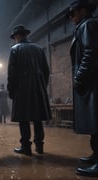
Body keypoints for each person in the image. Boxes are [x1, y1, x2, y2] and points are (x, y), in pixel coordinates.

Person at [7, 25, 51, 156]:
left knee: (23, 117)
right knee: (38, 117)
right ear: (25, 35)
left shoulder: (15, 49)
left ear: (16, 36)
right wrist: (43, 85)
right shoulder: (38, 49)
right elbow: (46, 70)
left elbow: (11, 73)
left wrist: (11, 89)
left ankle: (26, 147)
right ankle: (39, 146)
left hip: (22, 86)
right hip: (38, 85)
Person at [66, 0, 98, 177]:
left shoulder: (89, 24)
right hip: (90, 80)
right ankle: (96, 154)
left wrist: (79, 76)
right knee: (94, 121)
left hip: (92, 80)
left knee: (96, 119)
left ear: (84, 10)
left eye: (73, 13)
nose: (71, 17)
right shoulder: (84, 25)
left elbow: (90, 52)